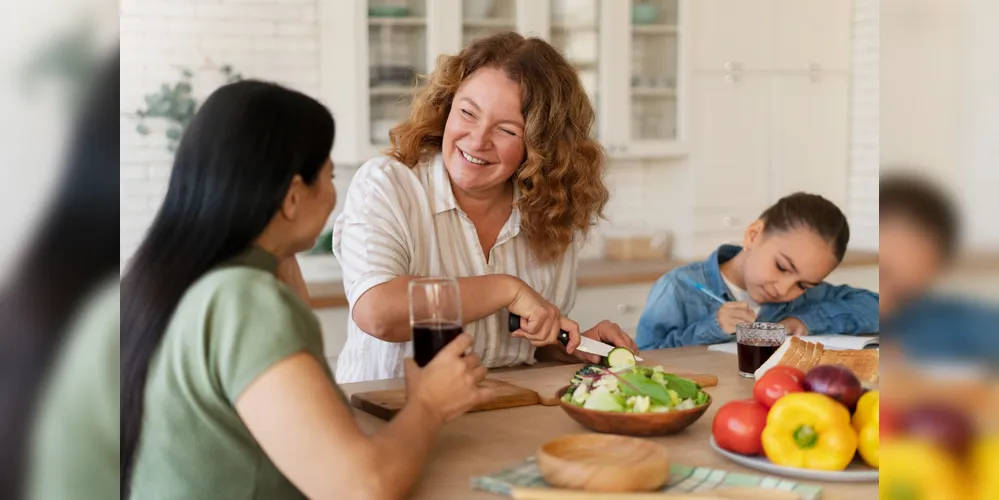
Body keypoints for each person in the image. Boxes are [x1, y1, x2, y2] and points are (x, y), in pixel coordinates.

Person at [119, 80, 494, 500]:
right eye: (329, 175)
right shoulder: (243, 300)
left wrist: (281, 250)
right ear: (293, 197)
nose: (335, 195)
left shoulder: (177, 278)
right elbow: (363, 486)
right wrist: (428, 404)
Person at [333, 31, 636, 383]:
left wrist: (571, 345)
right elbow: (379, 314)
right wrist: (506, 289)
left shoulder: (550, 211)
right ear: (447, 106)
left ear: (541, 146)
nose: (477, 140)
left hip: (502, 415)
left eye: (507, 130)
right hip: (385, 419)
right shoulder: (388, 185)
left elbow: (515, 339)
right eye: (467, 113)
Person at [636, 193, 879, 349]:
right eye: (782, 267)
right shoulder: (678, 287)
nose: (784, 289)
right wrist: (711, 327)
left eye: (803, 285)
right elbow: (645, 359)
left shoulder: (807, 298)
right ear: (753, 235)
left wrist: (804, 320)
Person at [879, 173, 999, 365]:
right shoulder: (833, 306)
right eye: (883, 274)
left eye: (904, 295)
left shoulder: (953, 321)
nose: (884, 305)